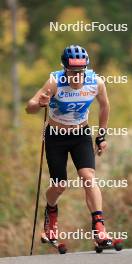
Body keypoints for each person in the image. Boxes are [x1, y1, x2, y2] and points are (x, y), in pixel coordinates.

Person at [26, 45, 111, 245]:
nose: (76, 77)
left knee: (88, 177)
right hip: (56, 136)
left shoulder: (96, 82)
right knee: (59, 186)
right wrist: (39, 104)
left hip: (81, 134)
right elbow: (29, 108)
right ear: (65, 69)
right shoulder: (54, 82)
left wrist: (102, 136)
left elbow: (105, 105)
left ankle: (99, 227)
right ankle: (51, 213)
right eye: (73, 72)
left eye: (80, 72)